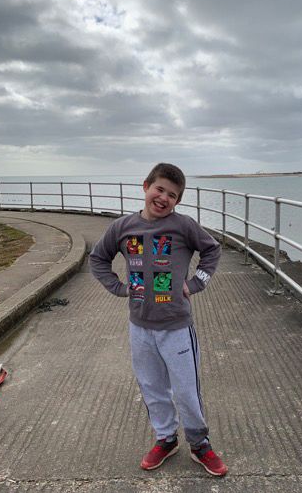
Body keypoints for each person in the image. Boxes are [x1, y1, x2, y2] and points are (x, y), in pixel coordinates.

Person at [89, 163, 227, 476]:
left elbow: (212, 251)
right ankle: (166, 438)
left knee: (186, 390)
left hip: (177, 327)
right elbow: (98, 259)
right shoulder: (122, 227)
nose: (164, 197)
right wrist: (119, 288)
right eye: (160, 189)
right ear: (145, 186)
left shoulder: (184, 226)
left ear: (178, 201)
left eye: (173, 195)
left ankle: (199, 443)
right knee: (152, 386)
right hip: (139, 327)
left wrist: (195, 283)